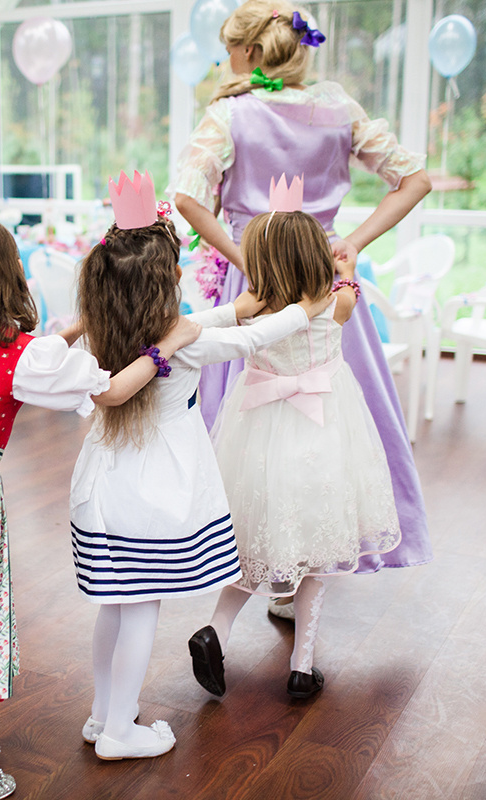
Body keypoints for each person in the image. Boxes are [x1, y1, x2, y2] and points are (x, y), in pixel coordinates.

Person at [0, 175, 199, 800]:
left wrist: (72, 326)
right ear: (7, 277)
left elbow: (33, 354)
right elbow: (108, 389)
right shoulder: (20, 355)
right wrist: (166, 346)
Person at [172, 0, 433, 615]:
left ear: (252, 53)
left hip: (252, 293)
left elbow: (186, 196)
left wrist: (246, 258)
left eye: (230, 49)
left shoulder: (228, 115)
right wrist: (352, 243)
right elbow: (415, 178)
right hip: (326, 291)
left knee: (244, 429)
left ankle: (244, 562)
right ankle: (302, 570)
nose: (226, 61)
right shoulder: (339, 111)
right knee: (329, 426)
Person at [69, 172, 330, 761]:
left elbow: (198, 329)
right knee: (141, 611)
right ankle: (118, 735)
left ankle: (102, 714)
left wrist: (233, 307)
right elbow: (246, 340)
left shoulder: (106, 334)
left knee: (115, 604)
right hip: (151, 496)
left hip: (100, 490)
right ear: (163, 283)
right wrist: (306, 310)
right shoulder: (180, 342)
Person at [189, 206, 402, 699]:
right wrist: (346, 269)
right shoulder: (336, 305)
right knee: (317, 555)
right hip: (321, 436)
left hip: (257, 437)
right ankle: (302, 668)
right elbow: (349, 291)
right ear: (314, 256)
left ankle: (215, 632)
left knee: (254, 544)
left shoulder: (252, 310)